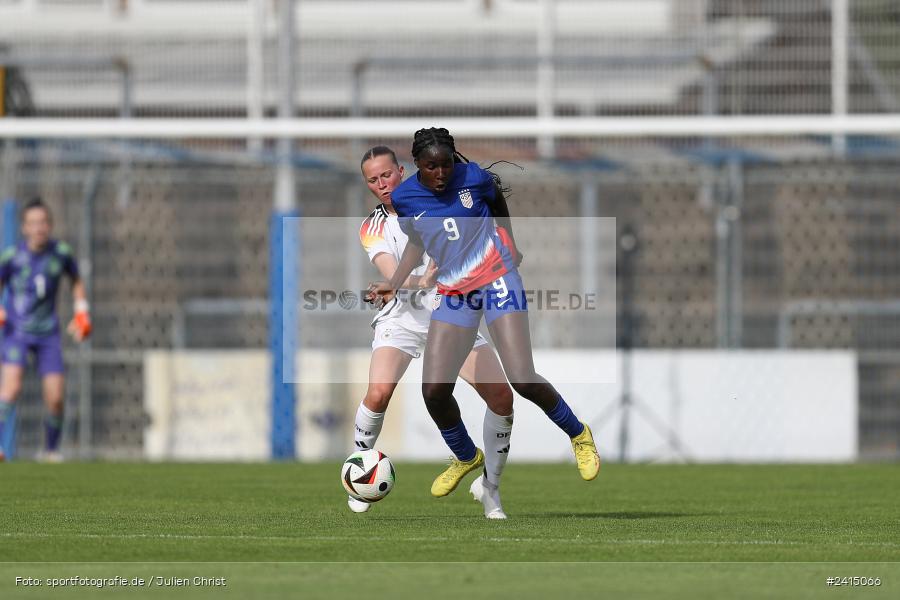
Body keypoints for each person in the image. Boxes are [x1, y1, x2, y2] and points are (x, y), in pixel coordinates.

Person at [367, 128, 600, 497]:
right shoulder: (406, 196)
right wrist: (394, 283)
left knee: (522, 378)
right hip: (455, 291)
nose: (441, 173)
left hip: (498, 278)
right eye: (431, 167)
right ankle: (464, 456)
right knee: (434, 391)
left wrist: (510, 241)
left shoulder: (473, 176)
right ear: (417, 167)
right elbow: (416, 240)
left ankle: (579, 434)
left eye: (445, 164)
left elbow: (496, 203)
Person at [352, 146, 514, 518]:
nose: (382, 185)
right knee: (377, 393)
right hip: (401, 320)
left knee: (502, 399)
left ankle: (490, 488)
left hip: (451, 313)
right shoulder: (372, 227)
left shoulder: (439, 200)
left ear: (401, 170)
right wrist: (416, 279)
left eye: (387, 175)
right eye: (373, 180)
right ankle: (360, 477)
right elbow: (393, 273)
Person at [0, 197, 91, 462]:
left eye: (43, 222)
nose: (38, 228)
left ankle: (51, 450)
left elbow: (76, 280)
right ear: (24, 228)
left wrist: (82, 310)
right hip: (17, 331)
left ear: (49, 225)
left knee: (55, 398)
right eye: (33, 223)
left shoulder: (61, 253)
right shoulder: (12, 256)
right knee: (10, 389)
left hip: (48, 333)